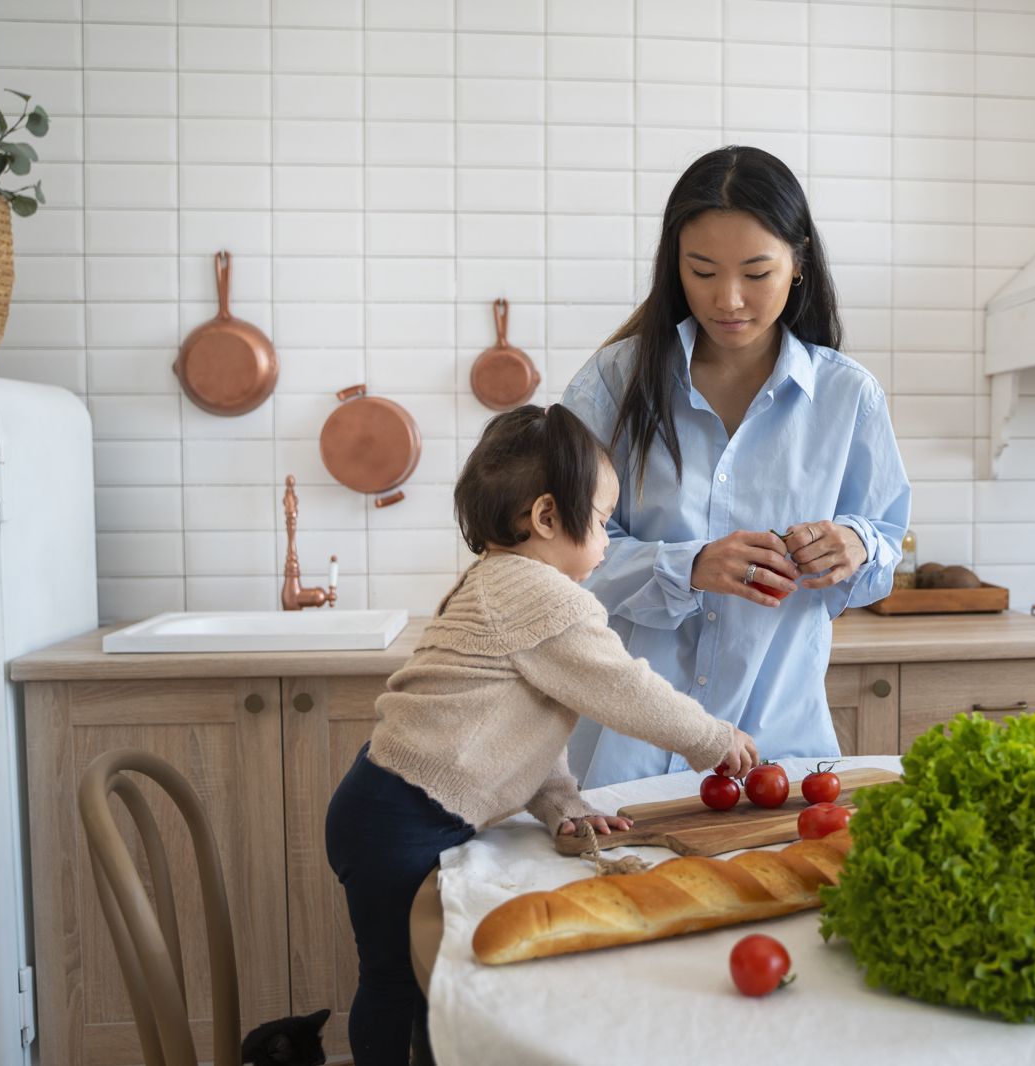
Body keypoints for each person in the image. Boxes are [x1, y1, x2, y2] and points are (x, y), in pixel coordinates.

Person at [325, 404, 759, 1065]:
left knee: (419, 979)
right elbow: (625, 688)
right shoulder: (543, 596)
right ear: (548, 517)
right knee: (395, 981)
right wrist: (711, 737)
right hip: (399, 817)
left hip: (389, 804)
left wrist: (561, 803)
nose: (609, 538)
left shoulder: (498, 582)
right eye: (603, 519)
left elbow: (528, 726)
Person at [562, 145, 911, 789]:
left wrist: (856, 544)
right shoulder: (613, 383)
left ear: (799, 262)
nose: (728, 300)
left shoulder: (848, 397)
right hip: (627, 752)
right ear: (675, 265)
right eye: (702, 271)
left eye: (756, 273)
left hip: (781, 752)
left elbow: (886, 544)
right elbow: (555, 557)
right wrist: (687, 567)